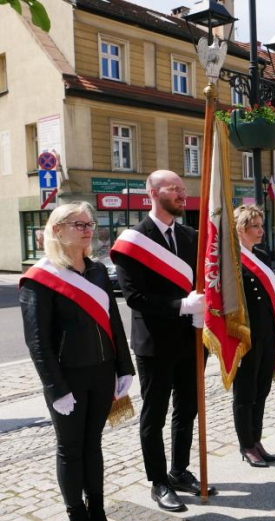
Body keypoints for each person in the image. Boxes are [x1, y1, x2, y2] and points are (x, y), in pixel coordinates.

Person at [20, 203, 135, 521]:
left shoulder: (98, 270)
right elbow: (37, 342)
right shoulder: (40, 278)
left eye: (89, 224)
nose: (88, 230)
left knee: (93, 444)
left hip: (102, 373)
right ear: (57, 230)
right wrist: (56, 388)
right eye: (79, 224)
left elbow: (113, 322)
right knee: (70, 449)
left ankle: (97, 509)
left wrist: (123, 368)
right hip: (67, 378)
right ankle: (76, 513)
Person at [112, 170, 212, 512]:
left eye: (184, 189)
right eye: (175, 189)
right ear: (153, 193)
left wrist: (202, 309)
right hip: (154, 343)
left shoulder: (189, 235)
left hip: (190, 339)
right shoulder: (134, 240)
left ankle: (180, 470)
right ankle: (158, 481)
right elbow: (135, 296)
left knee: (187, 409)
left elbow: (203, 282)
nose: (183, 194)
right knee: (154, 415)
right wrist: (181, 305)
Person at [233, 205, 275, 467]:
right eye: (256, 226)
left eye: (262, 226)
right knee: (245, 393)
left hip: (267, 332)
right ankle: (246, 444)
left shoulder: (261, 255)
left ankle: (256, 438)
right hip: (245, 337)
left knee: (262, 389)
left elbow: (272, 297)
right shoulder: (231, 260)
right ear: (242, 228)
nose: (261, 231)